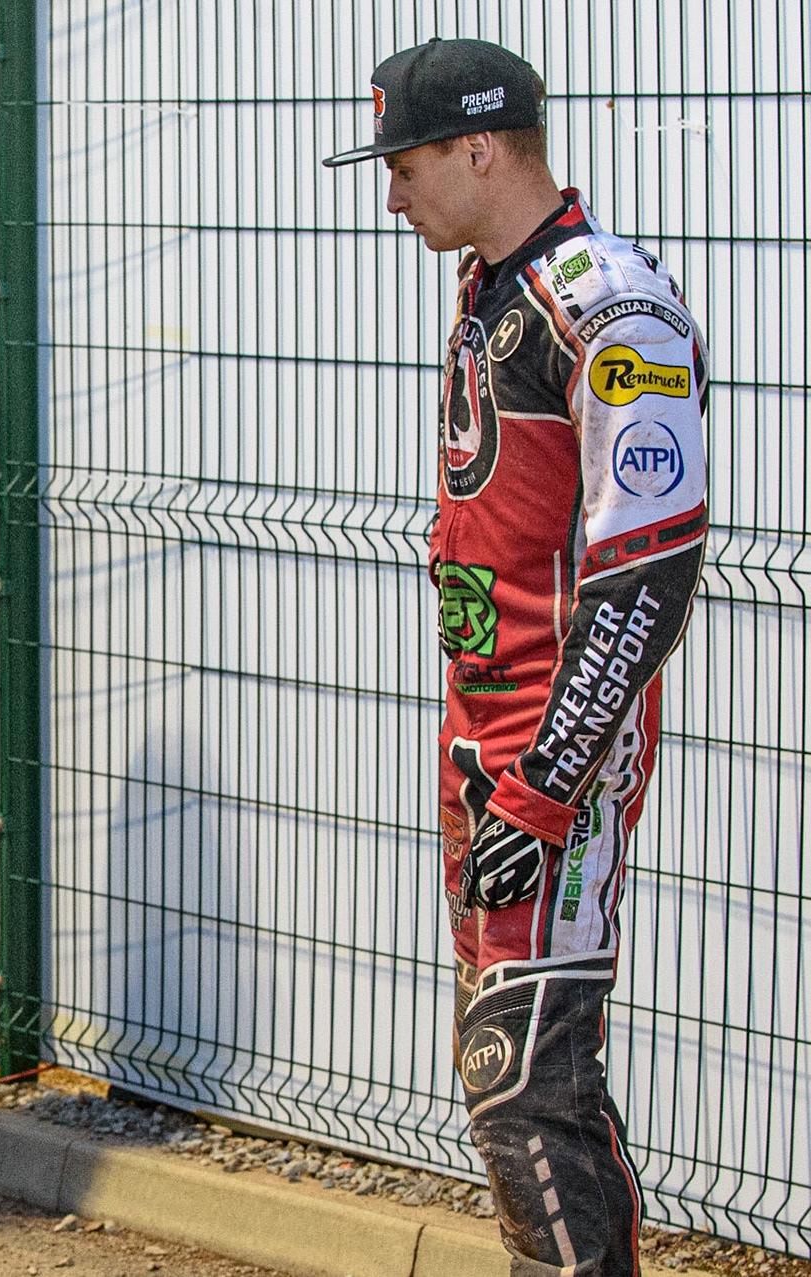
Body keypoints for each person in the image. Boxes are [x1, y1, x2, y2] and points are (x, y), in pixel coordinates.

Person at [325, 39, 707, 1277]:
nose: (392, 194)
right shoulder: (491, 285)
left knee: (521, 1075)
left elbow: (648, 572)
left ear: (480, 148)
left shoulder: (607, 303)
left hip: (557, 762)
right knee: (521, 1078)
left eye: (405, 161)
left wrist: (545, 786)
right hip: (484, 747)